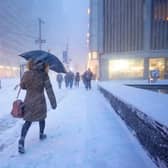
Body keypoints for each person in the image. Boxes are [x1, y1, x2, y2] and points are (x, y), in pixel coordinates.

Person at [18, 60, 57, 154]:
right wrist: (53, 103)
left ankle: (21, 141)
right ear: (43, 65)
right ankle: (41, 134)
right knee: (42, 118)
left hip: (29, 100)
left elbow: (23, 86)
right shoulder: (44, 75)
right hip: (40, 101)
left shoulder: (27, 73)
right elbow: (49, 90)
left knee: (28, 121)